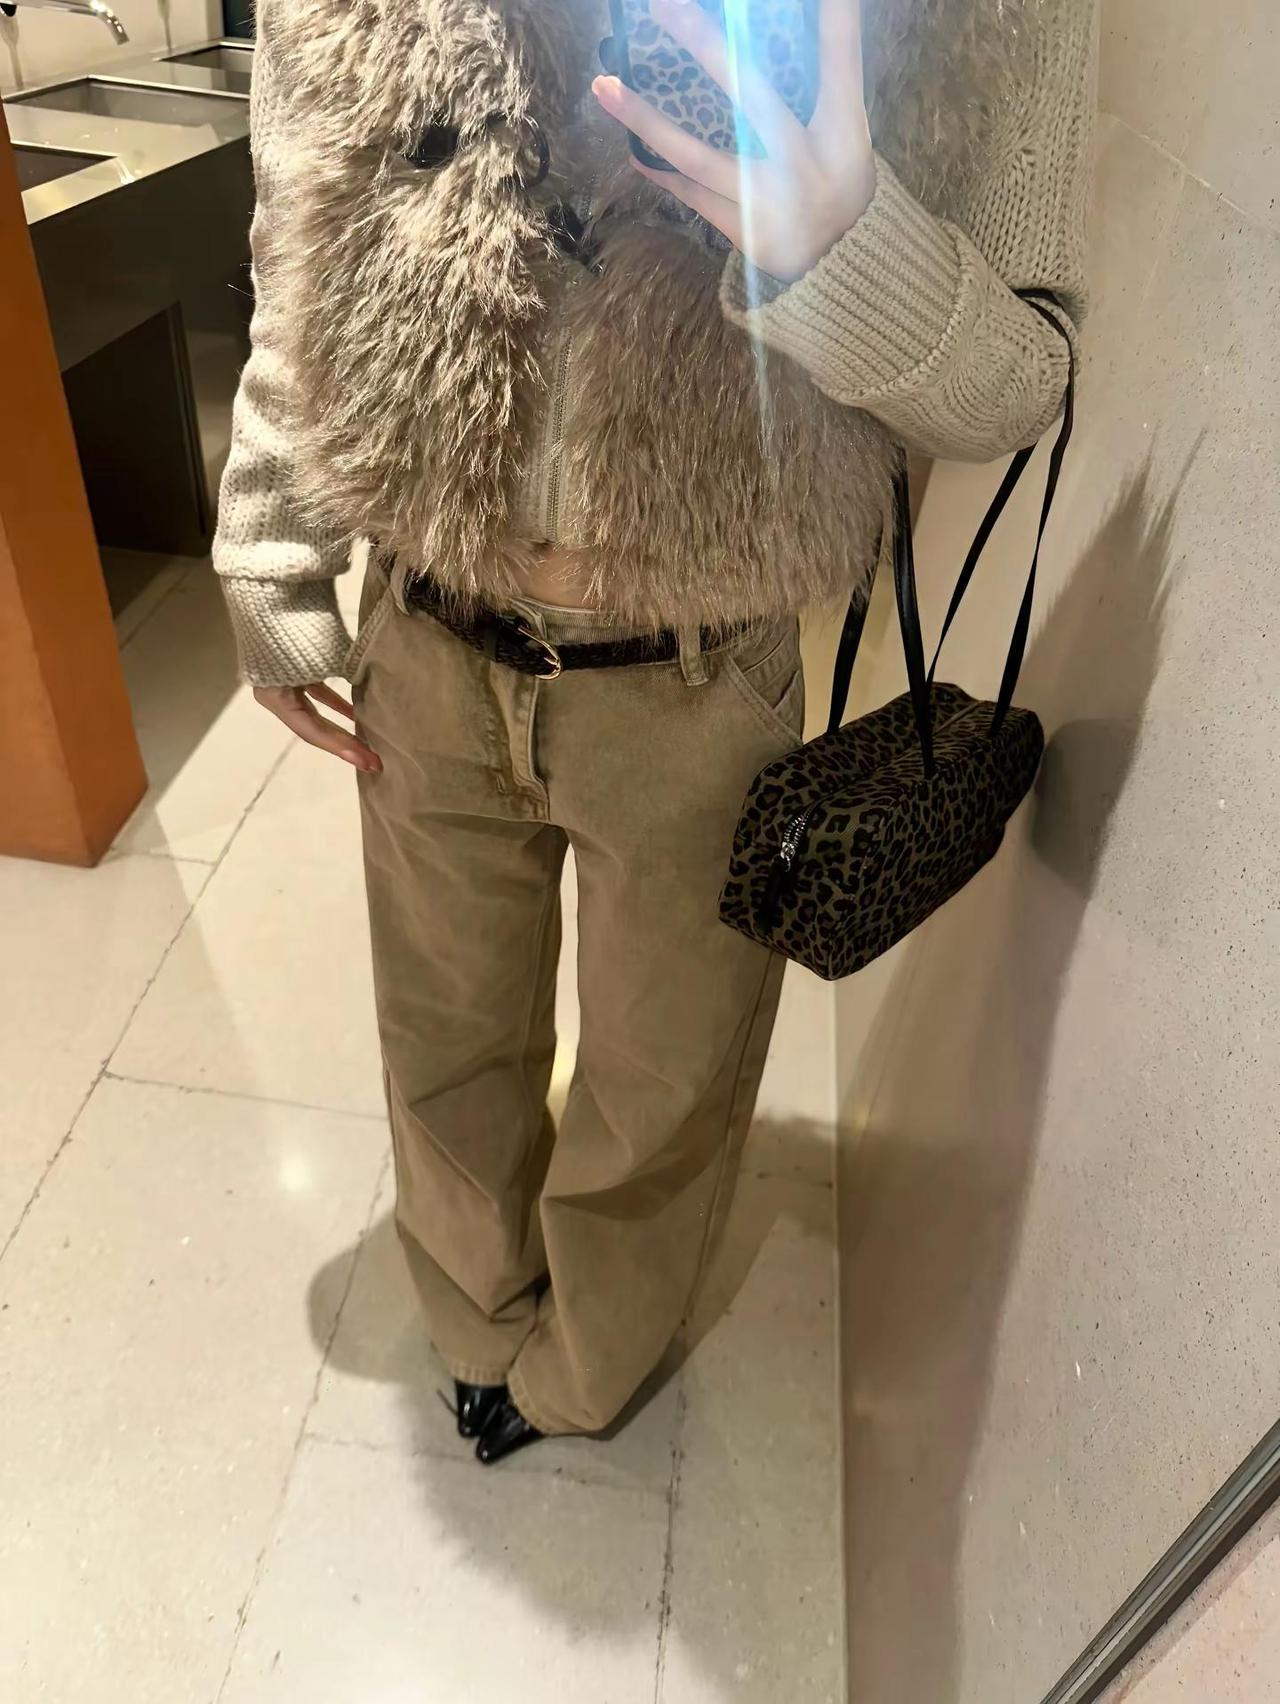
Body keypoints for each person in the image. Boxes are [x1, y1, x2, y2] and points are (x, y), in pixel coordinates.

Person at [213, 0, 1096, 1462]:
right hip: (424, 637)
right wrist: (265, 540)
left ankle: (585, 1370)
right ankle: (473, 1319)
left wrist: (847, 249)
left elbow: (1018, 386)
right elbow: (304, 233)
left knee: (661, 1084)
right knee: (442, 1041)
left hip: (699, 685)